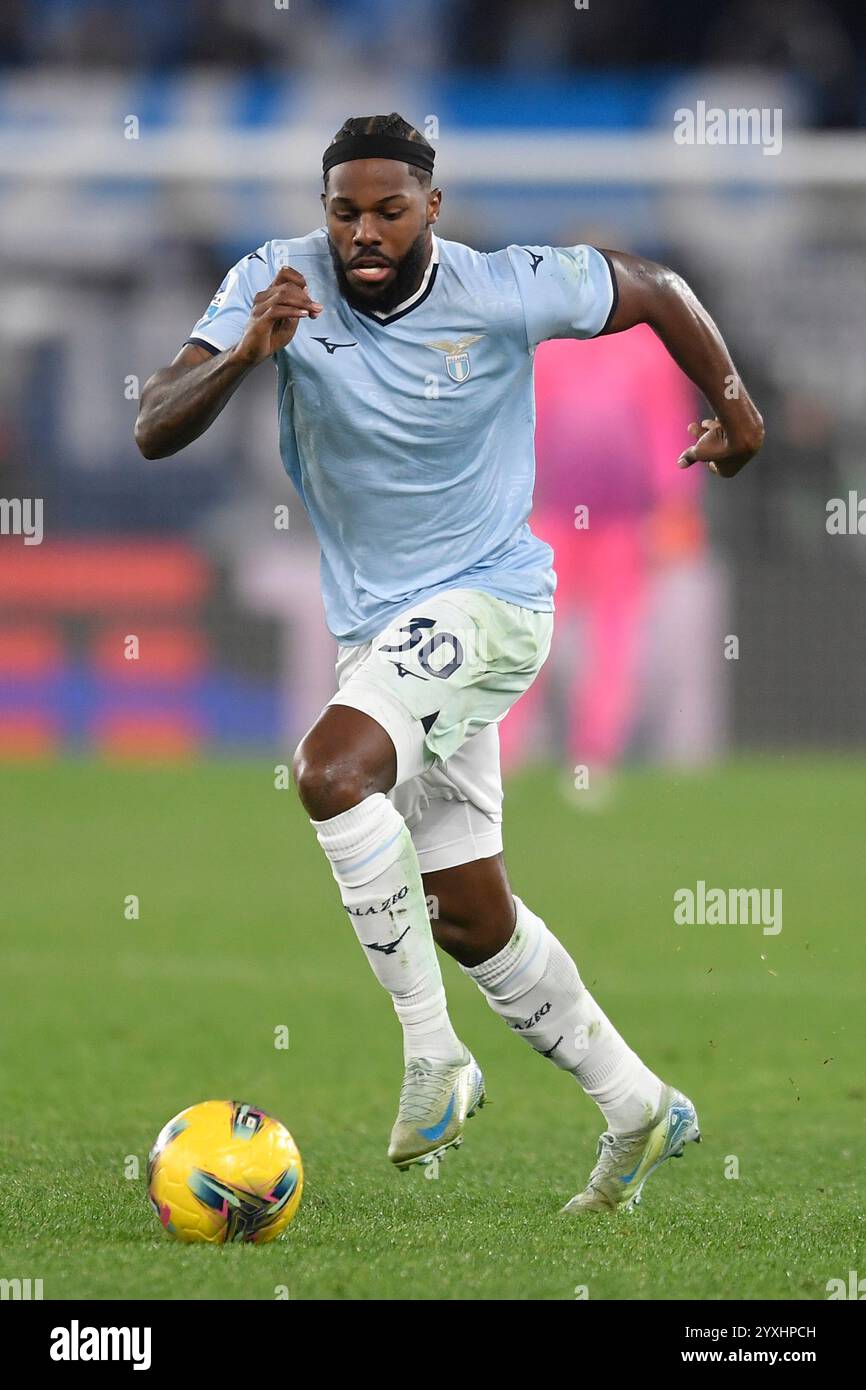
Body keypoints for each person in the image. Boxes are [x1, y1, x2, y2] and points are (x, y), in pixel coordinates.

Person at [134, 113, 763, 1213]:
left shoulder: (505, 284)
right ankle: (637, 1104)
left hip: (491, 601)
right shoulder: (272, 282)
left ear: (432, 208)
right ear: (320, 211)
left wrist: (735, 405)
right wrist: (245, 355)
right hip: (377, 631)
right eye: (343, 212)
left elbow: (654, 285)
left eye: (387, 210)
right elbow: (152, 425)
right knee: (471, 915)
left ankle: (434, 1057)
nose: (363, 234)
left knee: (331, 771)